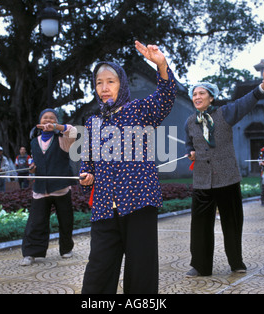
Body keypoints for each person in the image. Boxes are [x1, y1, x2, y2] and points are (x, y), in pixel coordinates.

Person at [79, 41, 177, 294]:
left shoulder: (139, 110)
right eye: (99, 83)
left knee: (141, 269)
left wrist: (162, 65)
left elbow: (166, 98)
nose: (104, 88)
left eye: (110, 81)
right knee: (98, 269)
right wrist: (86, 173)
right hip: (104, 206)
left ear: (121, 83)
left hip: (138, 201)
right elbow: (87, 160)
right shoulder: (92, 122)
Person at [184, 62, 264, 277]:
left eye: (201, 93)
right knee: (200, 226)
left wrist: (263, 86)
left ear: (211, 97)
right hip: (202, 180)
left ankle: (236, 262)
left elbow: (244, 103)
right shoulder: (189, 122)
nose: (197, 97)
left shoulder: (226, 113)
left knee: (232, 223)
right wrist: (190, 151)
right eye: (194, 94)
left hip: (227, 178)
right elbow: (188, 142)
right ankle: (200, 265)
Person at [20, 109, 78, 265]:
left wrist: (57, 127)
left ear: (56, 121)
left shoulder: (64, 140)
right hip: (41, 189)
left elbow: (73, 131)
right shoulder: (34, 141)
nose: (48, 120)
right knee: (35, 222)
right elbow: (36, 163)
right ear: (40, 121)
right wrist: (33, 169)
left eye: (52, 118)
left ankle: (66, 249)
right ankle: (31, 253)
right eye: (45, 118)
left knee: (65, 221)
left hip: (61, 188)